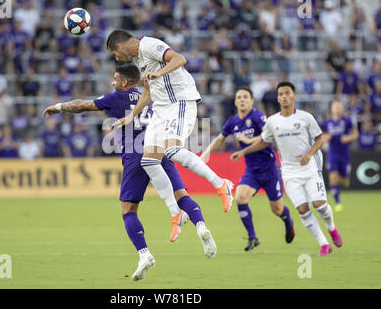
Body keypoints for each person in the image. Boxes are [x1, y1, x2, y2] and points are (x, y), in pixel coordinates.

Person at [43, 63, 216, 281]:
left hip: (135, 156)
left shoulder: (117, 98)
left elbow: (81, 106)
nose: (112, 82)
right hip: (159, 150)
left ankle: (144, 255)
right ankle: (201, 226)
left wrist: (58, 106)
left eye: (114, 79)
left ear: (124, 82)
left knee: (129, 209)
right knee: (181, 195)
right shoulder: (153, 95)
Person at [106, 30, 234, 239]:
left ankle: (221, 184)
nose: (118, 59)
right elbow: (148, 91)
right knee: (148, 161)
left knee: (173, 150)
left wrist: (160, 72)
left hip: (180, 101)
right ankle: (176, 214)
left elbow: (179, 59)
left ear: (120, 47)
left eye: (115, 54)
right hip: (162, 109)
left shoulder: (148, 45)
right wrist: (131, 117)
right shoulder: (139, 60)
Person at [231, 82, 342, 257]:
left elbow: (320, 139)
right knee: (303, 209)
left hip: (309, 167)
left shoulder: (306, 117)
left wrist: (309, 154)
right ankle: (324, 244)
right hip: (289, 172)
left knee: (319, 205)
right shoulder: (273, 121)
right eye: (280, 94)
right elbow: (263, 141)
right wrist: (243, 151)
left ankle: (332, 229)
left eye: (287, 93)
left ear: (294, 96)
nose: (283, 96)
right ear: (277, 98)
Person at [201, 87, 294, 251]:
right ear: (236, 101)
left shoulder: (258, 117)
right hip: (252, 171)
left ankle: (288, 221)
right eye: (239, 97)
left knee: (277, 209)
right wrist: (205, 154)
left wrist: (247, 140)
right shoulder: (232, 122)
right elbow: (220, 140)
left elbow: (268, 137)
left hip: (269, 169)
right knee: (240, 197)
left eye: (245, 97)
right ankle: (253, 237)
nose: (242, 100)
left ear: (251, 101)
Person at [322, 101, 359, 212]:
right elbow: (320, 136)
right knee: (333, 178)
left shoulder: (347, 121)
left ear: (342, 108)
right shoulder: (327, 122)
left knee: (343, 180)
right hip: (332, 154)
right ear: (331, 109)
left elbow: (356, 134)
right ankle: (337, 202)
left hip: (344, 155)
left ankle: (344, 180)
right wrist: (326, 137)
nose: (337, 109)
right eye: (335, 107)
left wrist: (348, 138)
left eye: (339, 106)